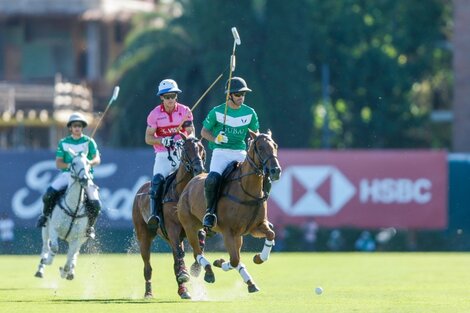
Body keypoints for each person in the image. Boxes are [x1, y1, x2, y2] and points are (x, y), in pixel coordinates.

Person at [201, 76, 259, 230]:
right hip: (221, 152)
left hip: (240, 152)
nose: (241, 98)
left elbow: (255, 133)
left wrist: (252, 143)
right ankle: (210, 212)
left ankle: (259, 212)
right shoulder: (217, 112)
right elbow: (204, 131)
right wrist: (216, 139)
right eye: (238, 95)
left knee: (258, 176)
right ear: (229, 95)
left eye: (243, 95)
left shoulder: (250, 113)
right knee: (212, 179)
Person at [36, 112, 101, 239]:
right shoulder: (63, 142)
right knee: (49, 193)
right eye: (74, 125)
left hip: (85, 177)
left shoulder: (89, 142)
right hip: (67, 176)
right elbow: (59, 163)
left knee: (96, 203)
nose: (77, 128)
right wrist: (71, 166)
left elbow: (97, 159)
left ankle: (90, 227)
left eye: (80, 125)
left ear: (82, 128)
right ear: (70, 128)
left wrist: (88, 163)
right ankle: (44, 216)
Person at [145, 79, 194, 230]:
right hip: (163, 155)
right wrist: (162, 141)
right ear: (161, 97)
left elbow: (191, 131)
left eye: (173, 96)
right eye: (167, 97)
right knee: (157, 181)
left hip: (182, 153)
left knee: (197, 177)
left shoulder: (185, 111)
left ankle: (204, 214)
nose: (170, 99)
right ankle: (155, 215)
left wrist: (184, 140)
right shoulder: (154, 114)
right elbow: (148, 138)